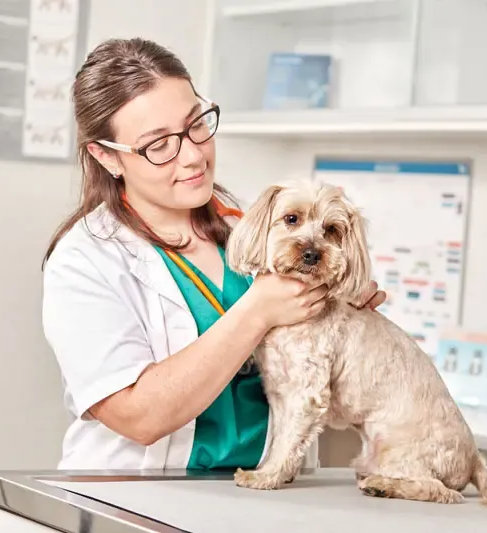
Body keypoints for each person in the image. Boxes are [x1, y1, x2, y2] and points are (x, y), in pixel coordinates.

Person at [41, 37, 386, 471]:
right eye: (159, 145)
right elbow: (139, 416)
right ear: (107, 156)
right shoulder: (85, 262)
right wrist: (257, 312)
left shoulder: (256, 233)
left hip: (267, 495)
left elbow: (315, 378)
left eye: (197, 124)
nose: (192, 156)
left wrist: (342, 305)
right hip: (138, 498)